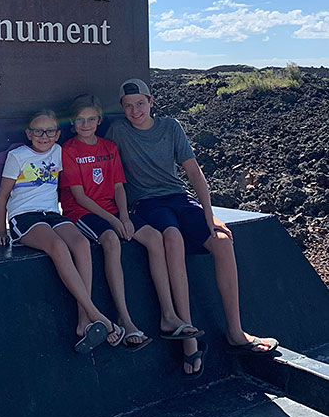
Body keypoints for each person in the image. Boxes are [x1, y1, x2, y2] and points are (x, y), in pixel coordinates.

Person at [107, 78, 279, 378]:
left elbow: (193, 172)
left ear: (151, 101)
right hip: (146, 203)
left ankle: (236, 332)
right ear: (122, 108)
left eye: (140, 104)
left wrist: (209, 215)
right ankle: (187, 338)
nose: (135, 111)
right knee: (171, 237)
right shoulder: (118, 132)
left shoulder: (171, 127)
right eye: (128, 106)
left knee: (223, 241)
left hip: (179, 198)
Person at [60, 94, 202, 353]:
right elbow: (79, 196)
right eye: (80, 120)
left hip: (114, 210)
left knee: (154, 238)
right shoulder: (68, 150)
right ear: (72, 122)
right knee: (112, 240)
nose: (86, 124)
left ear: (99, 120)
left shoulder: (108, 147)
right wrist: (114, 221)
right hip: (82, 212)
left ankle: (168, 315)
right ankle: (124, 318)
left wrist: (124, 216)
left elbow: (118, 187)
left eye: (91, 119)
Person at [0, 109, 124, 353]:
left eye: (50, 131)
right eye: (38, 131)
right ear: (29, 134)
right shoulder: (18, 156)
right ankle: (97, 315)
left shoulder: (59, 152)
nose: (44, 136)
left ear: (58, 134)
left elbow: (83, 173)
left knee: (82, 244)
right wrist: (1, 231)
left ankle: (83, 320)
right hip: (25, 217)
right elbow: (2, 198)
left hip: (52, 214)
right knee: (58, 247)